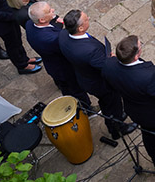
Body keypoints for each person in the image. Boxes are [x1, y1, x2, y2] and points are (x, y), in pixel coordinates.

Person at [102, 36, 155, 174]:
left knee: (148, 134)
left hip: (136, 111)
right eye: (140, 46)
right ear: (135, 57)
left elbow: (110, 85)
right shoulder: (148, 75)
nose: (141, 46)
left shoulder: (108, 65)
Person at [58, 9, 135, 141]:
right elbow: (105, 67)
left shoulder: (64, 35)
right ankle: (118, 129)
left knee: (106, 103)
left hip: (85, 77)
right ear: (80, 28)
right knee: (112, 102)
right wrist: (111, 59)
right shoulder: (90, 51)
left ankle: (115, 117)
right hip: (100, 83)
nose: (88, 17)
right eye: (86, 19)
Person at [26, 1, 91, 108]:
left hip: (51, 63)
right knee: (76, 89)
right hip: (63, 68)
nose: (53, 10)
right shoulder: (53, 39)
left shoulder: (30, 24)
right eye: (49, 11)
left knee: (63, 84)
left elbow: (50, 29)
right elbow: (68, 46)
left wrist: (58, 24)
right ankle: (86, 108)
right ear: (42, 20)